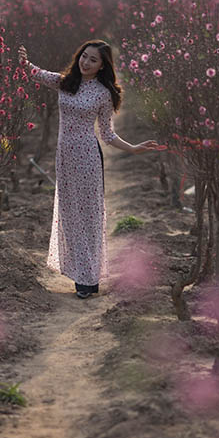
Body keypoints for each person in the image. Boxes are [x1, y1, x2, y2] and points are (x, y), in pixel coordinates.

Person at [18, 40, 163, 299]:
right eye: (84, 56)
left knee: (88, 217)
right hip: (65, 159)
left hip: (87, 159)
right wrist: (22, 59)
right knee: (70, 215)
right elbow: (34, 73)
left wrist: (133, 148)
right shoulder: (65, 82)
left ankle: (88, 279)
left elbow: (107, 134)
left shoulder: (103, 94)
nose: (86, 62)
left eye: (93, 60)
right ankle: (82, 275)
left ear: (102, 66)